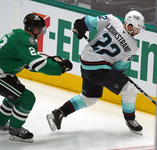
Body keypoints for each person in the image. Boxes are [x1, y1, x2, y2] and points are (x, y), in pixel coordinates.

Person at [47, 10, 145, 135]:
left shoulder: (111, 19)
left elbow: (86, 21)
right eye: (137, 29)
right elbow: (118, 69)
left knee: (89, 98)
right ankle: (130, 120)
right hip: (98, 68)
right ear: (130, 26)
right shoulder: (133, 46)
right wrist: (115, 75)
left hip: (86, 62)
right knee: (128, 89)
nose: (138, 32)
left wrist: (79, 27)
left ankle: (59, 113)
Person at [0, 13, 73, 143]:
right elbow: (38, 64)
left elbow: (28, 60)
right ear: (35, 30)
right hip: (1, 75)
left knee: (15, 96)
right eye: (42, 30)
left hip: (4, 73)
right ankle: (15, 129)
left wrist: (51, 59)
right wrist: (59, 68)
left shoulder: (18, 34)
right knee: (26, 98)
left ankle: (0, 123)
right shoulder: (25, 41)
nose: (42, 33)